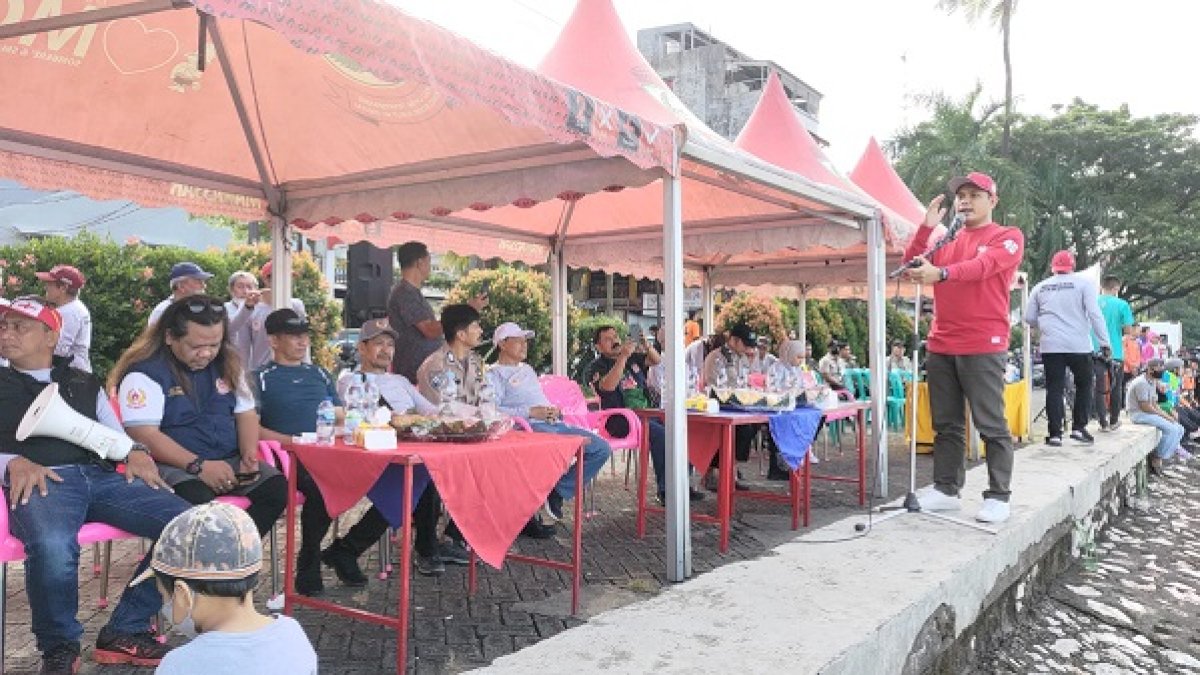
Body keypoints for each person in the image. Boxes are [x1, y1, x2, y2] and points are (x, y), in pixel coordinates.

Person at [0, 296, 191, 672]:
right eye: (3, 326)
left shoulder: (83, 381)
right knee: (53, 547)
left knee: (191, 528)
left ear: (51, 336)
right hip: (44, 481)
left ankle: (126, 628)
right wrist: (9, 462)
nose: (6, 333)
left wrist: (135, 451)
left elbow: (115, 435)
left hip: (101, 477)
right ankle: (60, 648)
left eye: (19, 326)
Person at [902, 172, 1025, 524]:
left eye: (974, 194)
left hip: (983, 344)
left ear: (993, 201)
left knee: (991, 423)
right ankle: (946, 490)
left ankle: (999, 496)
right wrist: (926, 228)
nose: (965, 201)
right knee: (946, 424)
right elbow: (913, 263)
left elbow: (982, 267)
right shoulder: (946, 241)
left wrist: (941, 275)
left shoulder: (1008, 237)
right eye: (961, 195)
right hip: (942, 342)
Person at [111, 295, 288, 537]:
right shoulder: (144, 373)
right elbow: (144, 434)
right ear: (170, 337)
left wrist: (248, 453)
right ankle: (207, 561)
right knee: (200, 507)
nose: (206, 354)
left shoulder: (228, 364)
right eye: (196, 347)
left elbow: (245, 412)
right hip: (172, 465)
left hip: (227, 460)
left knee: (276, 489)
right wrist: (198, 466)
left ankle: (235, 552)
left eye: (214, 345)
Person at [253, 309, 388, 596]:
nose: (302, 342)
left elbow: (341, 414)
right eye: (294, 336)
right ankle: (309, 559)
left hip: (329, 450)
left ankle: (348, 549)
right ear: (274, 341)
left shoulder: (319, 373)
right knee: (323, 487)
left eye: (305, 336)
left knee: (397, 484)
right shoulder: (259, 378)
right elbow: (253, 431)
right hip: (287, 456)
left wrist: (351, 422)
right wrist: (293, 440)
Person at [133, 502, 317, 675]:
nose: (164, 604)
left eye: (163, 595)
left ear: (182, 595)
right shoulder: (292, 634)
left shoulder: (180, 664)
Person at [486, 321, 612, 523]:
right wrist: (530, 412)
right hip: (526, 427)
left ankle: (558, 491)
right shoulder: (493, 374)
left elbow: (537, 399)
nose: (524, 345)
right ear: (502, 344)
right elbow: (491, 410)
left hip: (552, 423)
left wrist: (552, 410)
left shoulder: (526, 369)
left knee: (601, 448)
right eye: (518, 341)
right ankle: (530, 509)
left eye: (524, 341)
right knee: (555, 447)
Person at [411, 304, 493, 566]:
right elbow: (442, 412)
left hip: (469, 440)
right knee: (431, 477)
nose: (480, 331)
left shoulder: (477, 362)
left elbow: (486, 399)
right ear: (460, 333)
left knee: (496, 470)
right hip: (439, 442)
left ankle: (453, 538)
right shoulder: (434, 366)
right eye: (476, 326)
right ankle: (426, 549)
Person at [586, 325, 704, 505]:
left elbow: (656, 361)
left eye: (615, 336)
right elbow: (607, 387)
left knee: (682, 430)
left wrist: (645, 344)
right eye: (608, 339)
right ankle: (665, 491)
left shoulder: (633, 358)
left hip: (647, 413)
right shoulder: (596, 366)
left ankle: (682, 484)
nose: (615, 341)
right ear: (598, 346)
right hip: (621, 420)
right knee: (662, 435)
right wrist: (623, 357)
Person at [1024, 250, 1110, 446]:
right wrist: (1105, 343)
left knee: (1054, 388)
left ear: (1053, 267)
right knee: (1084, 384)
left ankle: (1054, 434)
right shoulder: (1084, 284)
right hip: (1079, 344)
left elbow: (1029, 318)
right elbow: (1095, 314)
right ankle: (1079, 428)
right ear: (1073, 266)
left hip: (1051, 345)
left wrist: (1047, 323)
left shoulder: (1040, 288)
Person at [702, 324, 758, 490]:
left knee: (753, 425)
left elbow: (745, 382)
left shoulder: (743, 358)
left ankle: (732, 469)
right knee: (740, 429)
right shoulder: (716, 357)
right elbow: (712, 385)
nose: (748, 348)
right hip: (719, 405)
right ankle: (712, 472)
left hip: (740, 405)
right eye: (746, 344)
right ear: (734, 340)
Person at [225, 267, 308, 373]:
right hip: (261, 371)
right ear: (266, 280)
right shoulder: (249, 308)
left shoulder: (296, 305)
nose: (286, 282)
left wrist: (306, 366)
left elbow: (303, 338)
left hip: (293, 369)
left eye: (289, 278)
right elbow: (241, 343)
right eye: (281, 278)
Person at [1127, 358, 1187, 473]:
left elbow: (1154, 404)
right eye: (1159, 369)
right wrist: (1164, 416)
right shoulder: (1141, 383)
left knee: (1180, 429)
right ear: (1150, 369)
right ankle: (1157, 457)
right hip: (1138, 414)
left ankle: (1164, 454)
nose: (1162, 371)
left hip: (1147, 412)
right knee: (1172, 430)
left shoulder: (1153, 381)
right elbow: (1145, 407)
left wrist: (1166, 415)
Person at [1094, 275, 1135, 430]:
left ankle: (1102, 422)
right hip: (1115, 352)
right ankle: (1114, 420)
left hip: (1094, 350)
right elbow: (1128, 330)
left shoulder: (1092, 302)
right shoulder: (1122, 304)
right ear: (1116, 289)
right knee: (1116, 387)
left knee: (1099, 387)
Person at [36, 264, 92, 372]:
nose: (46, 287)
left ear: (63, 288)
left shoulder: (68, 313)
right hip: (76, 373)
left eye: (50, 284)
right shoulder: (75, 307)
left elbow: (58, 350)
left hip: (71, 376)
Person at [147, 262, 213, 325]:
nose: (204, 286)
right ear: (181, 286)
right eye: (198, 281)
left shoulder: (201, 309)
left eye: (203, 282)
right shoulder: (163, 311)